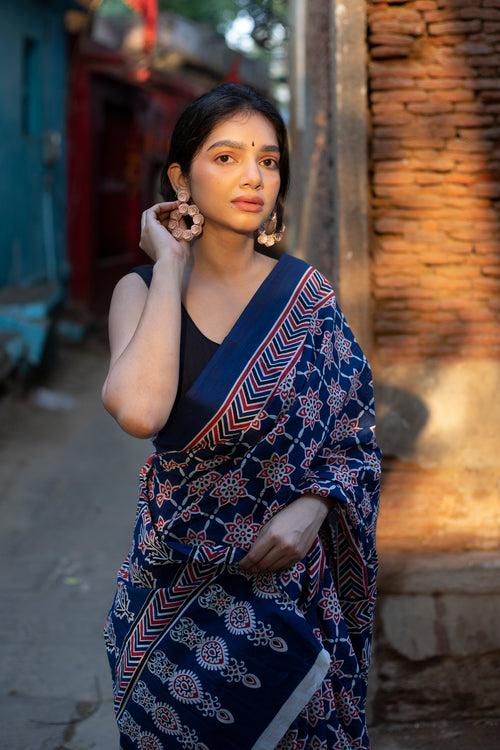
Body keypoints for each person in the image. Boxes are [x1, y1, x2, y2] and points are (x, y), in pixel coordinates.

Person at [101, 82, 382, 750]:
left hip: (292, 597)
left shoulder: (306, 299)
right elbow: (141, 412)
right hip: (171, 600)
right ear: (181, 177)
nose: (254, 176)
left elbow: (354, 440)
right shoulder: (138, 293)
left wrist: (313, 506)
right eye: (226, 157)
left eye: (270, 159)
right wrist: (168, 265)